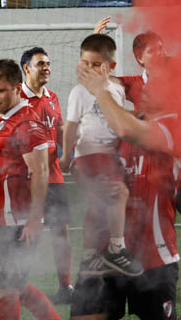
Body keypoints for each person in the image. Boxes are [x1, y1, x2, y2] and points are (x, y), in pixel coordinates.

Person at [93, 19, 181, 320]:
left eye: (164, 47)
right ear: (140, 56)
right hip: (151, 173)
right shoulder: (132, 83)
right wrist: (97, 42)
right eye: (155, 49)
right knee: (140, 234)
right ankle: (137, 300)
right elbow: (101, 82)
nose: (162, 53)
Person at [69, 61, 181, 320]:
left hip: (152, 255)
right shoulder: (122, 119)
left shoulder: (177, 126)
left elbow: (126, 128)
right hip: (105, 251)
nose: (146, 87)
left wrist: (99, 91)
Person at [0, 59, 73, 320]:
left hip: (16, 223)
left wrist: (34, 220)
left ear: (17, 89)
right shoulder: (2, 117)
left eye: (0, 91)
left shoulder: (27, 123)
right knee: (13, 287)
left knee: (9, 289)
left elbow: (41, 172)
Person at [61, 34, 143, 277]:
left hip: (111, 156)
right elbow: (71, 126)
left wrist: (140, 115)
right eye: (85, 64)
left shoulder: (116, 90)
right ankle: (116, 249)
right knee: (119, 194)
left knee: (98, 206)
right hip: (88, 155)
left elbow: (119, 117)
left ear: (112, 67)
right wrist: (66, 157)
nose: (90, 70)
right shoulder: (78, 92)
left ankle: (89, 258)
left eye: (96, 65)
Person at [19, 46, 74, 303]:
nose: (47, 68)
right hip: (27, 181)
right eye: (40, 64)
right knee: (30, 233)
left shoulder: (52, 96)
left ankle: (66, 286)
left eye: (48, 63)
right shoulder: (15, 98)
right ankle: (21, 288)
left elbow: (60, 127)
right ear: (26, 68)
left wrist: (67, 154)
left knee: (61, 231)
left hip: (55, 177)